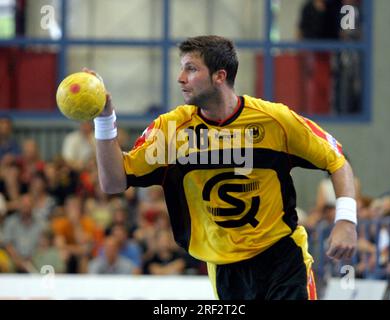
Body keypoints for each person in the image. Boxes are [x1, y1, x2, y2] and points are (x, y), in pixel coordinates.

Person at [90, 35, 357, 300]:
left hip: (282, 258)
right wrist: (105, 120)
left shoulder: (275, 121)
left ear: (219, 76)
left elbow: (335, 160)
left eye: (191, 69)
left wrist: (346, 219)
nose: (180, 78)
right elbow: (114, 181)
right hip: (225, 270)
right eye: (182, 68)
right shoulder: (170, 131)